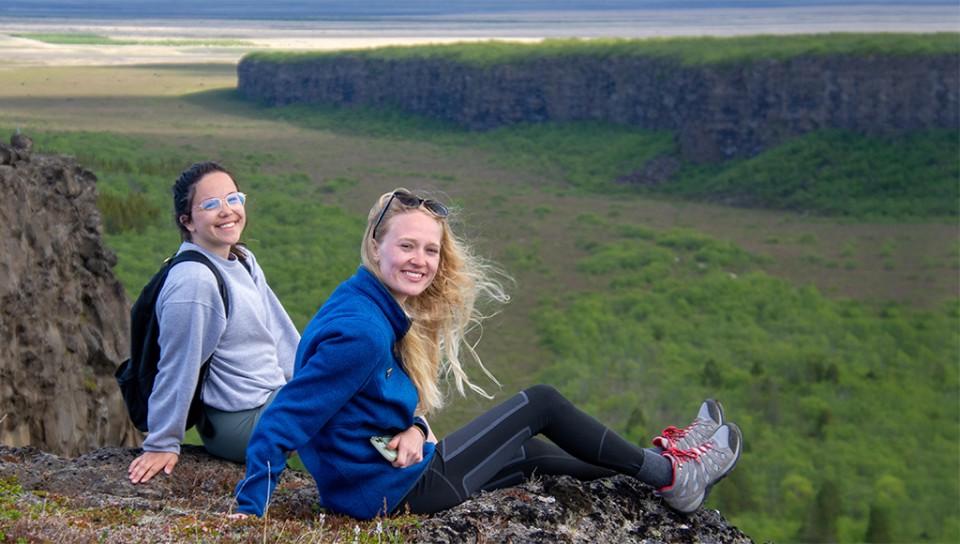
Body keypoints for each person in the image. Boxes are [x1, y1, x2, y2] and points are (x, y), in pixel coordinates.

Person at [232, 188, 742, 519]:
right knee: (539, 402)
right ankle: (677, 476)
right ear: (375, 244)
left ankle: (660, 472)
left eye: (431, 250)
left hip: (386, 478)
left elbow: (363, 402)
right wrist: (248, 511)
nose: (422, 261)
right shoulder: (361, 331)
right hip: (396, 493)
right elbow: (285, 419)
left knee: (535, 454)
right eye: (407, 246)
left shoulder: (362, 300)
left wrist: (414, 427)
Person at [127, 161, 300, 484]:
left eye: (233, 199)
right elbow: (178, 365)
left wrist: (314, 377)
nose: (227, 211)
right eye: (210, 205)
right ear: (187, 221)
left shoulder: (243, 260)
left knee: (341, 375)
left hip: (269, 399)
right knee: (338, 389)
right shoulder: (195, 282)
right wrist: (163, 442)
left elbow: (282, 337)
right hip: (237, 422)